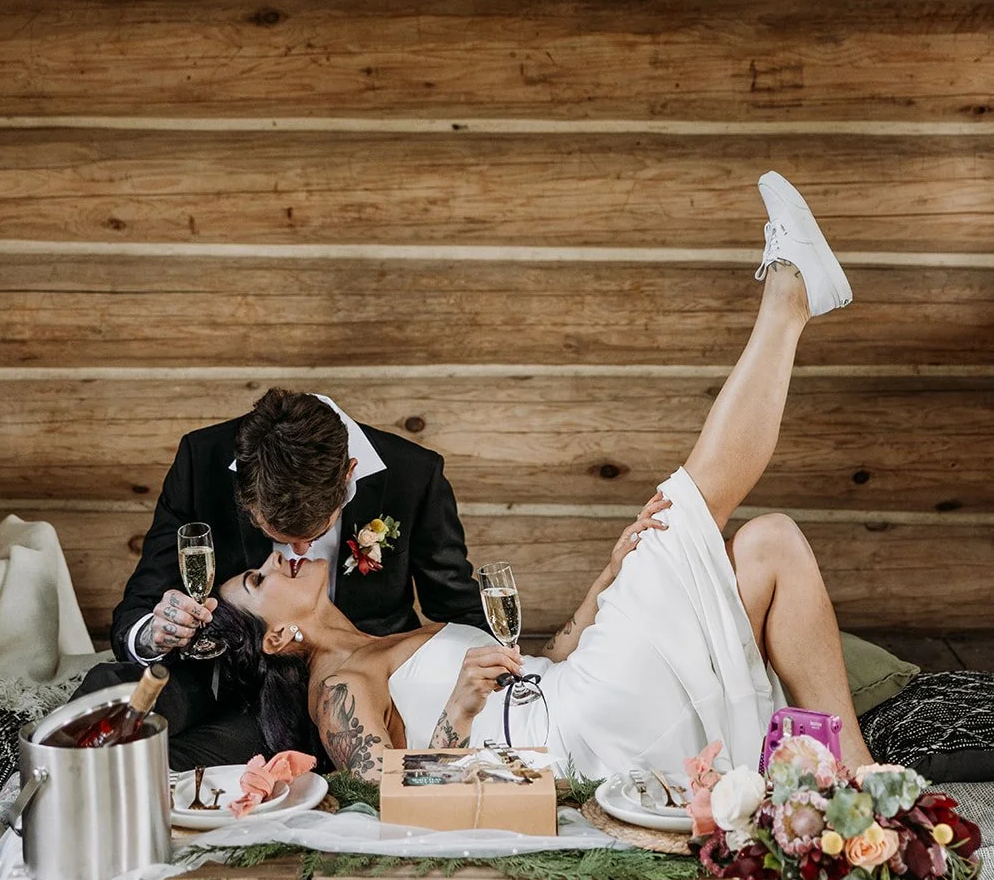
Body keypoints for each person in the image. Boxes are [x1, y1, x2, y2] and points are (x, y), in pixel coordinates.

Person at [214, 173, 878, 783]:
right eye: (255, 581)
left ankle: (861, 776)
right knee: (682, 515)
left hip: (570, 690)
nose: (273, 563)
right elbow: (388, 790)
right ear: (277, 637)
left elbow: (551, 658)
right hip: (567, 738)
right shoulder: (334, 685)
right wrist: (457, 708)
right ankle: (789, 297)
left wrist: (610, 572)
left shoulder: (392, 636)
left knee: (769, 541)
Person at [70, 388, 485, 769]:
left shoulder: (414, 474)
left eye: (317, 534)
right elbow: (139, 604)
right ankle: (30, 789)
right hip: (208, 669)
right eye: (277, 537)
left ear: (348, 477)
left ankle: (89, 790)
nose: (297, 553)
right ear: (246, 498)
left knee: (173, 760)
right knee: (113, 691)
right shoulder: (202, 459)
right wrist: (153, 634)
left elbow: (456, 606)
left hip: (328, 701)